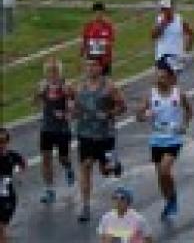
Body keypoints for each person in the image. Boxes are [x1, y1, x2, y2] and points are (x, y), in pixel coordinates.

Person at [136, 63, 191, 222]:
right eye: (158, 76)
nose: (160, 79)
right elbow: (138, 117)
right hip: (156, 140)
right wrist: (145, 115)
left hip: (173, 138)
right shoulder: (151, 95)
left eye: (163, 76)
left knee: (166, 170)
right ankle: (168, 201)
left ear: (170, 77)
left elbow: (189, 110)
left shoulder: (178, 93)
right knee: (160, 176)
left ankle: (172, 198)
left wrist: (184, 125)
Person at [74, 56, 126, 224]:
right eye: (88, 65)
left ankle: (114, 164)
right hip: (85, 133)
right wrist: (72, 113)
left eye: (94, 65)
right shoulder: (79, 86)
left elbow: (122, 107)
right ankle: (85, 206)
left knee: (106, 170)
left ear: (101, 68)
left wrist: (109, 113)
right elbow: (76, 107)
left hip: (105, 134)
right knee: (86, 166)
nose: (90, 68)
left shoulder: (109, 86)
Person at [34, 57, 75, 204]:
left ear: (60, 72)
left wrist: (64, 114)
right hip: (47, 128)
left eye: (55, 72)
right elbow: (35, 102)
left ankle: (69, 168)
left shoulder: (66, 86)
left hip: (62, 129)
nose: (52, 75)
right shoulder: (43, 85)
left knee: (63, 158)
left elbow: (73, 107)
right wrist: (38, 94)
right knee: (46, 159)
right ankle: (50, 190)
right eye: (49, 72)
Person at [149, 0, 194, 73]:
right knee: (161, 80)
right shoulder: (159, 20)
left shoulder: (179, 20)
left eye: (166, 9)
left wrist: (187, 50)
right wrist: (163, 24)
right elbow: (153, 36)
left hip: (176, 56)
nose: (164, 11)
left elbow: (191, 34)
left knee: (170, 82)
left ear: (172, 8)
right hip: (162, 55)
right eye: (163, 9)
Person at [0, 129, 27, 243]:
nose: (1, 145)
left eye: (3, 141)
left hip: (8, 197)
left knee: (2, 227)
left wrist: (20, 174)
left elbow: (22, 163)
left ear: (7, 142)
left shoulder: (12, 156)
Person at [81, 2, 116, 76]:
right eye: (97, 12)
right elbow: (84, 42)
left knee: (105, 81)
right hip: (92, 61)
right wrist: (82, 56)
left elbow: (111, 42)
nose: (98, 15)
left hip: (104, 61)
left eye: (100, 12)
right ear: (94, 13)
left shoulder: (108, 26)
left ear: (103, 13)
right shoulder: (88, 26)